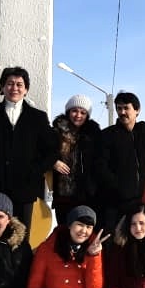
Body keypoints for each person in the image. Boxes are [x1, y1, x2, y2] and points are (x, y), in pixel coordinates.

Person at [0, 66, 57, 235]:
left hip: (25, 189)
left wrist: (34, 171)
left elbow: (52, 151)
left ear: (26, 89)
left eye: (19, 84)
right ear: (2, 87)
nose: (14, 88)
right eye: (10, 83)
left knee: (19, 239)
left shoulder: (38, 118)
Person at [94, 92, 145, 232]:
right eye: (119, 108)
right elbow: (100, 168)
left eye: (126, 108)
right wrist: (119, 188)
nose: (122, 112)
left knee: (138, 240)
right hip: (116, 202)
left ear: (137, 110)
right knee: (115, 240)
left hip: (140, 201)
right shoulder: (107, 136)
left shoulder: (144, 131)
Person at [50, 94, 102, 226]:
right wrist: (53, 161)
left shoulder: (94, 135)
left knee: (85, 232)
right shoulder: (56, 133)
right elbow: (41, 152)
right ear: (68, 112)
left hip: (88, 195)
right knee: (64, 231)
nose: (78, 115)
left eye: (83, 112)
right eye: (74, 111)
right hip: (64, 195)